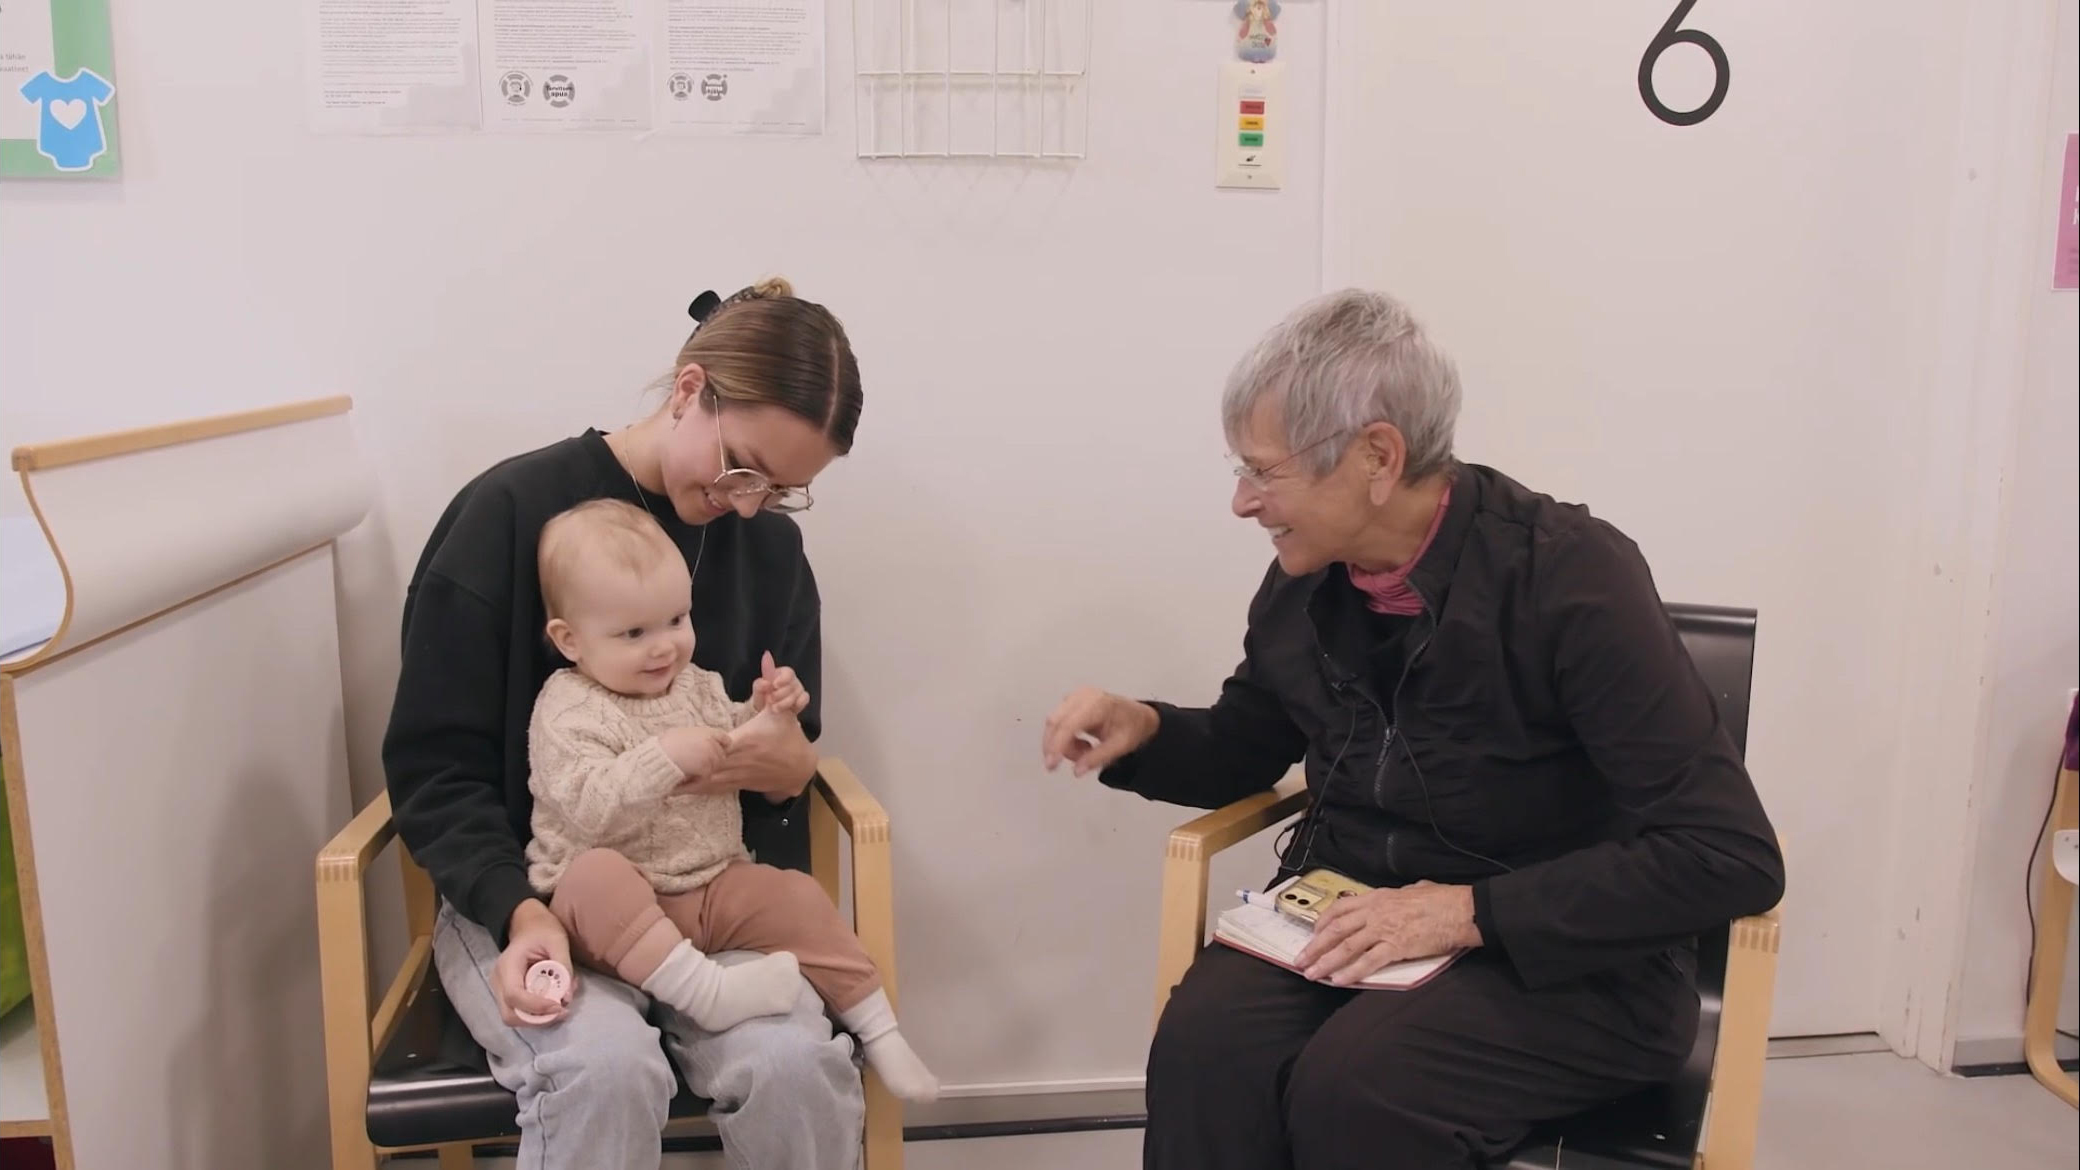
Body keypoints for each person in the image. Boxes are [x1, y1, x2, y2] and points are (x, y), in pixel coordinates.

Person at [1041, 289, 1785, 1170]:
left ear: (1378, 456)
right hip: (1357, 918)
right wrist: (1145, 728)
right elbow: (1246, 748)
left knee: (1363, 1086)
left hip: (1568, 959)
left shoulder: (1570, 579)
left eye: (1265, 471)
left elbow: (1727, 854)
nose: (1243, 502)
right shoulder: (1302, 587)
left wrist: (1467, 912)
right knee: (1207, 1049)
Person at [383, 278, 868, 1170]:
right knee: (603, 1070)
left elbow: (792, 755)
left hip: (707, 892)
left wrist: (784, 762)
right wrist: (518, 911)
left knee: (797, 1063)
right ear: (689, 391)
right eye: (741, 468)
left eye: (783, 489)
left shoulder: (767, 551)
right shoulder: (507, 515)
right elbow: (433, 771)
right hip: (529, 891)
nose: (751, 503)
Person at [522, 498, 937, 1099]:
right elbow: (587, 802)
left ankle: (879, 1029)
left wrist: (768, 712)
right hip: (615, 919)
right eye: (634, 633)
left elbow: (733, 741)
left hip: (711, 886)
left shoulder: (694, 684)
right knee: (591, 877)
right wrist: (664, 756)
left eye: (675, 620)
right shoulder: (566, 708)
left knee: (793, 895)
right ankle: (706, 996)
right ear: (570, 641)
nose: (664, 647)